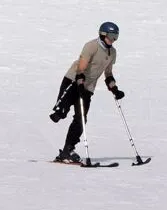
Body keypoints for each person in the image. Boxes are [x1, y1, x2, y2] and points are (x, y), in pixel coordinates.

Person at [49, 22, 125, 163]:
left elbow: (108, 74)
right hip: (73, 81)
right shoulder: (92, 46)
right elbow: (81, 68)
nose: (113, 40)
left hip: (88, 88)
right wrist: (80, 84)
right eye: (112, 36)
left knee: (81, 119)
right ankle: (59, 111)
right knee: (60, 113)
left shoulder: (112, 53)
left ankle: (67, 150)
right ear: (103, 34)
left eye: (116, 36)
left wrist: (115, 89)